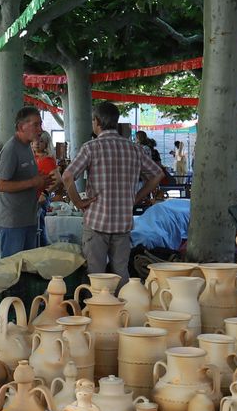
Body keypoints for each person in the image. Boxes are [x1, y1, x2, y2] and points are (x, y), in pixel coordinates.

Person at [58, 101, 163, 279]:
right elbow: (157, 175)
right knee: (121, 272)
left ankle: (97, 306)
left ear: (97, 121)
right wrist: (136, 198)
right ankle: (121, 306)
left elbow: (67, 176)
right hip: (123, 221)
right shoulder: (135, 149)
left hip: (97, 221)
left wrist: (78, 202)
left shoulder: (91, 147)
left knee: (95, 275)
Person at [0, 107, 49, 257]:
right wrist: (33, 182)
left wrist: (42, 182)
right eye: (36, 125)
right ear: (21, 127)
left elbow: (27, 179)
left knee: (26, 268)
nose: (40, 129)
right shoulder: (11, 149)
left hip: (28, 218)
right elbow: (1, 185)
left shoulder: (26, 147)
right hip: (13, 222)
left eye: (40, 124)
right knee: (13, 270)